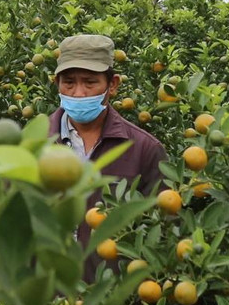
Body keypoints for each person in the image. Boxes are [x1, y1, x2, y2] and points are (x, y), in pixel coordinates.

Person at [48, 33, 168, 281]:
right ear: (56, 83)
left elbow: (164, 233)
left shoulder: (143, 149)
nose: (78, 93)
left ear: (112, 84)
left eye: (90, 82)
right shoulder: (33, 145)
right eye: (69, 82)